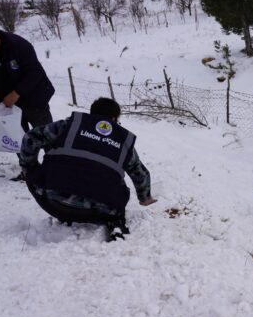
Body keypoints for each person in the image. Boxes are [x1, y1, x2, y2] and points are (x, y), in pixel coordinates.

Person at [18, 98, 157, 242]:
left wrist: (28, 167)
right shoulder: (122, 140)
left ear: (92, 113)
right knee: (120, 190)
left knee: (33, 172)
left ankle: (65, 206)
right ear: (115, 118)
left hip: (52, 202)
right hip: (99, 211)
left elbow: (31, 137)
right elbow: (140, 173)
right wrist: (144, 197)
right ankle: (115, 221)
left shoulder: (70, 125)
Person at [0, 23, 54, 181]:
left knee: (46, 134)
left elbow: (35, 72)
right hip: (7, 104)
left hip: (34, 97)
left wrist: (17, 93)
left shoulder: (19, 45)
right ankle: (28, 171)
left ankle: (58, 168)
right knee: (17, 138)